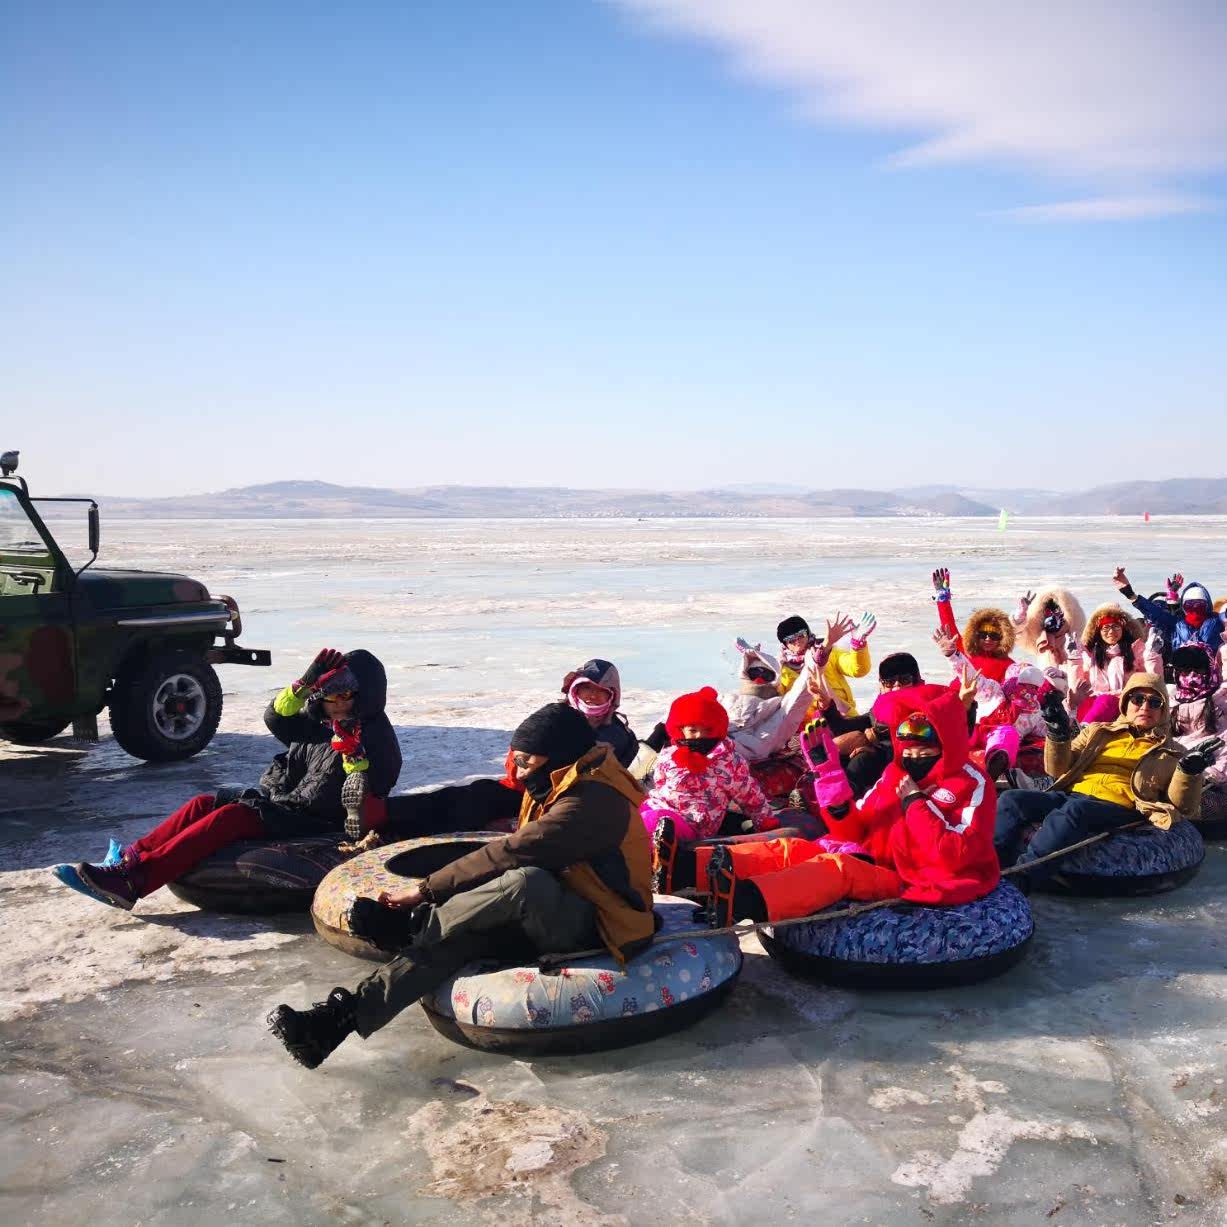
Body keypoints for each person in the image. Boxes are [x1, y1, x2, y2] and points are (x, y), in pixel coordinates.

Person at [268, 702, 653, 1069]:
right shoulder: (559, 782)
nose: (517, 774)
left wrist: (424, 894)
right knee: (455, 940)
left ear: (558, 755)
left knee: (524, 882)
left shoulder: (593, 801)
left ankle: (415, 928)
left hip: (603, 927)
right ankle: (335, 1023)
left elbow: (513, 852)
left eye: (525, 763)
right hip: (562, 905)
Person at [53, 649, 402, 909]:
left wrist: (355, 759)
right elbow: (277, 720)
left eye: (343, 696)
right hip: (288, 802)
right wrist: (301, 685)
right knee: (205, 802)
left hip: (317, 818)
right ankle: (130, 860)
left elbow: (380, 782)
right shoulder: (320, 723)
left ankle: (134, 883)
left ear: (364, 696)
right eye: (327, 696)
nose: (335, 704)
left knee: (231, 818)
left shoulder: (373, 734)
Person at [698, 683, 1000, 925]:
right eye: (909, 753)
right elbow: (851, 833)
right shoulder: (894, 774)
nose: (914, 762)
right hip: (875, 858)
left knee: (837, 870)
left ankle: (740, 904)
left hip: (918, 879)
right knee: (797, 848)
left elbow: (954, 856)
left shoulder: (972, 785)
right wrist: (830, 777)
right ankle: (690, 868)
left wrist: (915, 803)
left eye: (924, 754)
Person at [994, 674, 1218, 884]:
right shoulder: (1097, 732)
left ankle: (1022, 878)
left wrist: (1189, 772)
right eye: (1138, 699)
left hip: (1120, 806)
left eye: (1154, 703)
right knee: (1012, 800)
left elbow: (1183, 806)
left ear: (1163, 710)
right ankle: (991, 864)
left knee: (1075, 812)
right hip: (1074, 794)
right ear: (1126, 703)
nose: (1144, 707)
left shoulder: (1172, 752)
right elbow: (1057, 769)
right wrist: (1058, 733)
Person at [641, 686, 779, 847]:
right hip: (659, 807)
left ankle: (653, 857)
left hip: (694, 822)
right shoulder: (669, 754)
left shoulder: (728, 761)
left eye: (707, 730)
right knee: (630, 818)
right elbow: (659, 782)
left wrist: (765, 820)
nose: (699, 735)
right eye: (693, 730)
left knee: (652, 823)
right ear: (680, 729)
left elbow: (749, 794)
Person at [720, 638, 823, 762]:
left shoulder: (778, 705)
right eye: (754, 672)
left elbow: (799, 694)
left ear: (775, 679)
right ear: (746, 673)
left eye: (766, 675)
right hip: (717, 740)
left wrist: (815, 662)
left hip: (745, 749)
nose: (759, 678)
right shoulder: (726, 697)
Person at [1168, 645, 1227, 821]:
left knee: (1205, 803)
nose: (1192, 677)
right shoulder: (1167, 704)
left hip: (1212, 781)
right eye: (1185, 670)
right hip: (1175, 775)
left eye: (1198, 670)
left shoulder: (1221, 703)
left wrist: (1209, 776)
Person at [1071, 604, 1158, 724]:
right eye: (1106, 628)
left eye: (1116, 627)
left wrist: (1152, 656)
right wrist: (1074, 659)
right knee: (1086, 702)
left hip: (1127, 702)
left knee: (1106, 700)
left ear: (1123, 629)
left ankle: (1085, 730)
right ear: (1098, 631)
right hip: (1097, 702)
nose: (1111, 632)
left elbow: (1152, 680)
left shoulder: (1135, 651)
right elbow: (1079, 684)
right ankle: (1074, 730)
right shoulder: (1092, 655)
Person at [776, 611, 874, 716]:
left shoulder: (830, 653)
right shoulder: (782, 670)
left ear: (808, 633)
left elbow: (858, 670)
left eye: (801, 635)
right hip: (804, 726)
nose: (797, 641)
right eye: (791, 640)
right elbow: (776, 702)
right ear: (785, 644)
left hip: (841, 715)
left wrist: (858, 644)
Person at [1114, 569, 1227, 657]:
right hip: (1182, 677)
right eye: (1190, 605)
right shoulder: (1176, 625)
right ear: (1183, 607)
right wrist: (1129, 593)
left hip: (1212, 678)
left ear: (1207, 605)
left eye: (1199, 604)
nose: (1194, 609)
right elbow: (1155, 613)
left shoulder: (1218, 622)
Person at [931, 567, 1014, 682]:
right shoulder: (966, 652)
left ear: (1003, 638)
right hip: (959, 697)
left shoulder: (1009, 666)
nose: (988, 639)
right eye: (983, 634)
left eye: (994, 635)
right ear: (975, 635)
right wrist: (943, 600)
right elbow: (949, 626)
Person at [561, 658, 641, 769]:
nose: (593, 695)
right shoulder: (556, 718)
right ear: (576, 689)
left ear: (612, 695)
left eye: (602, 690)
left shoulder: (618, 735)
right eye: (587, 687)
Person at [1012, 587, 1086, 688]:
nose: (1052, 618)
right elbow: (1018, 635)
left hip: (1072, 688)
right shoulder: (1041, 639)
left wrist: (1063, 673)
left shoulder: (1074, 639)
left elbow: (1085, 670)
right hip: (1045, 688)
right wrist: (1021, 616)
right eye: (1047, 614)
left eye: (1057, 613)